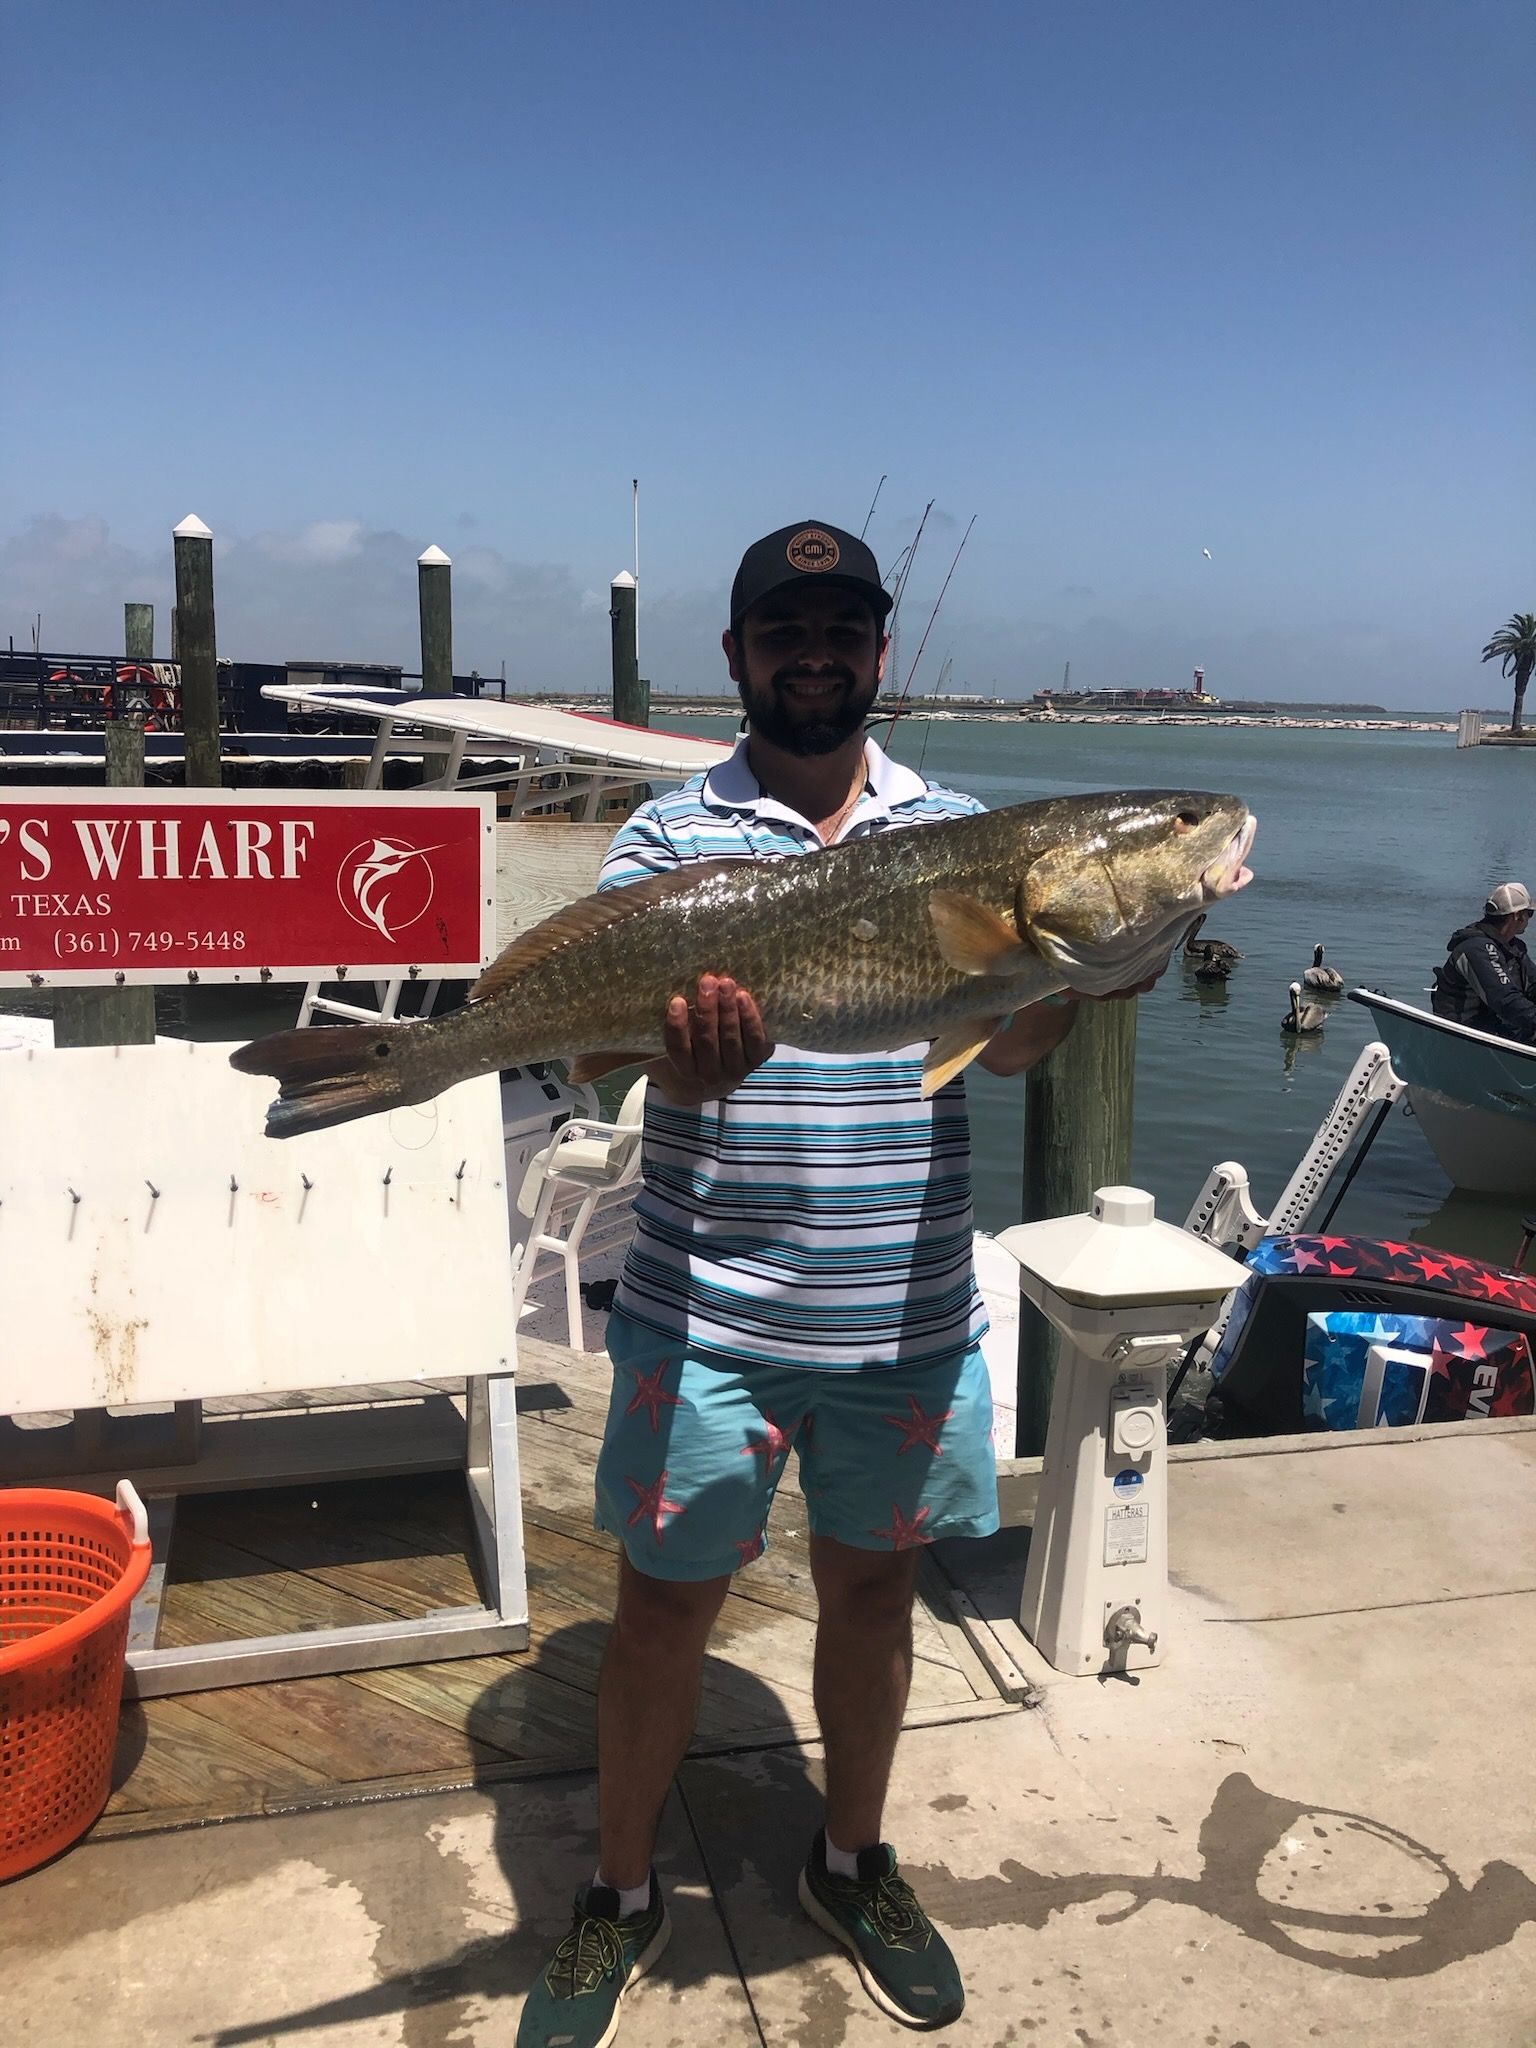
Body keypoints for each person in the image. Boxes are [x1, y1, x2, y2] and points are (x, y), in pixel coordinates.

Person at [517, 521, 1150, 2047]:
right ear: (737, 658)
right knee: (663, 1615)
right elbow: (625, 1048)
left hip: (910, 1311)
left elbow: (1013, 1043)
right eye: (783, 630)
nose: (815, 653)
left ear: (880, 654)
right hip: (705, 1311)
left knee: (874, 1598)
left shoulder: (970, 833)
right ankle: (616, 1895)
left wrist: (1067, 976)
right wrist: (685, 1050)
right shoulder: (673, 840)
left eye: (843, 630)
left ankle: (851, 1860)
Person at [1431, 882, 1536, 1043]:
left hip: (1498, 1031)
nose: (1529, 919)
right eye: (1529, 914)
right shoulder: (1476, 948)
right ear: (1517, 915)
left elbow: (1532, 985)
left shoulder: (1513, 948)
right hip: (1466, 1037)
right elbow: (1504, 999)